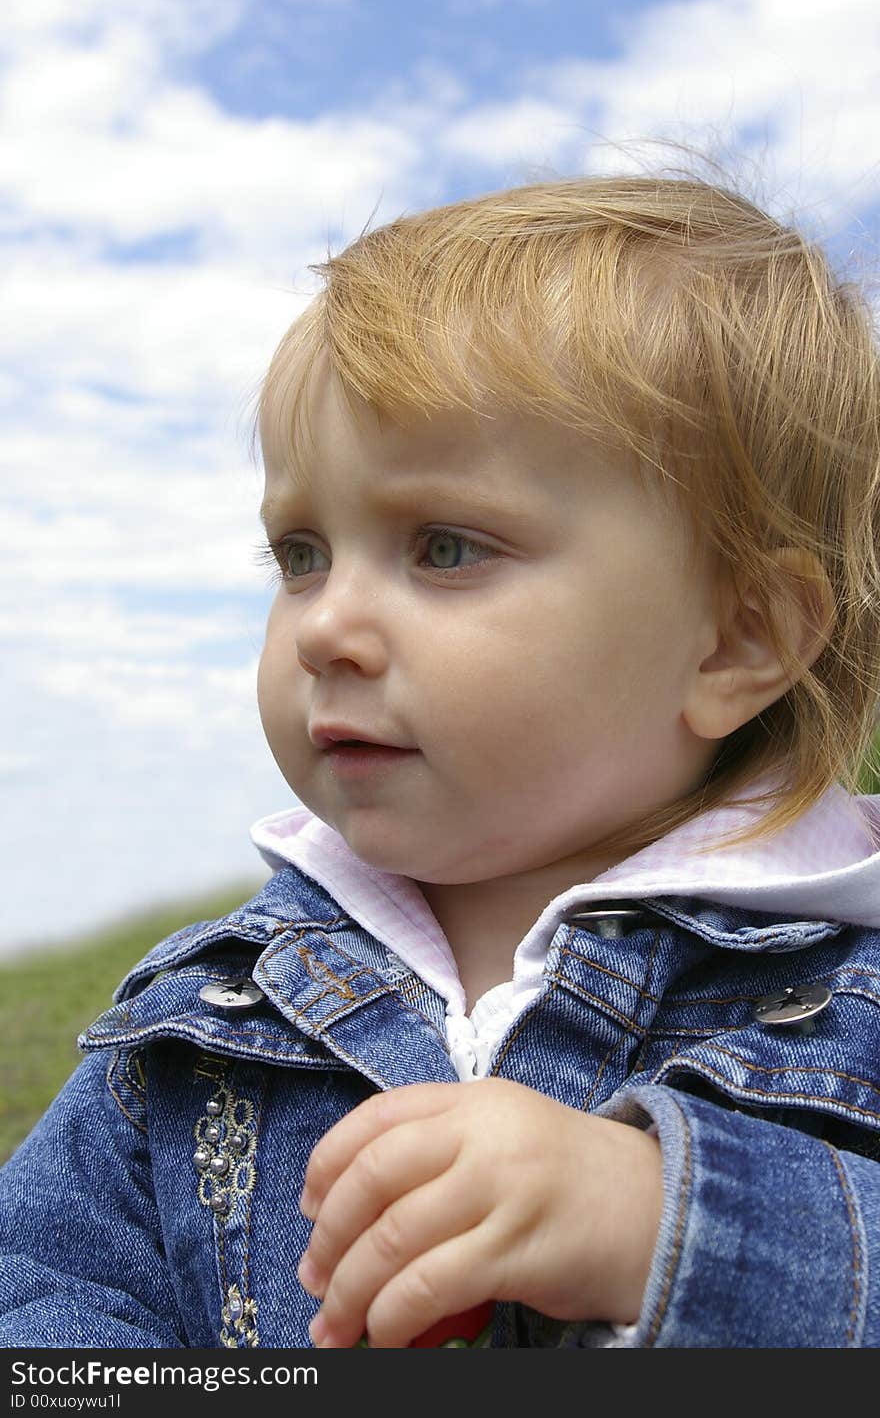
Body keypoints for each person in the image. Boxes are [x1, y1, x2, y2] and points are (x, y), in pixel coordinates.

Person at [3, 171, 880, 1351]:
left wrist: (667, 1217)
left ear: (739, 638)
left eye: (446, 546)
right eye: (301, 553)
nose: (322, 626)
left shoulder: (850, 994)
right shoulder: (203, 1007)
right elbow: (38, 1281)